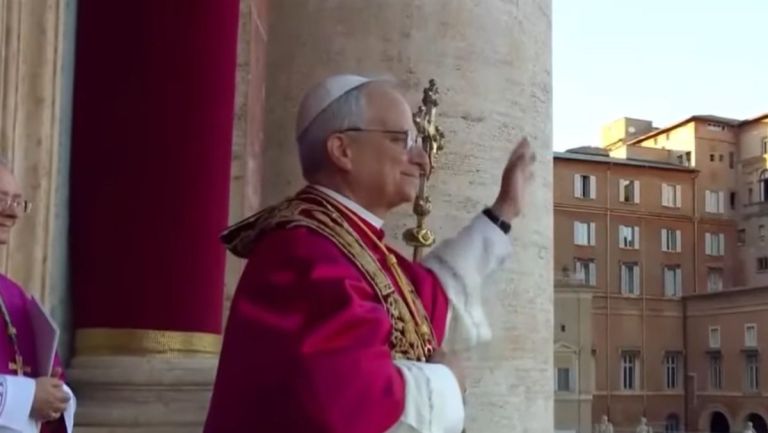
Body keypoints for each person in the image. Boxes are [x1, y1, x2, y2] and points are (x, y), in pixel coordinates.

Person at [203, 74, 535, 433]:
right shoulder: (303, 252)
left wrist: (502, 213)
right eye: (401, 140)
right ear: (342, 150)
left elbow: (432, 296)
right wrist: (447, 383)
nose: (423, 159)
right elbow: (351, 403)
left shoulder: (349, 242)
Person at [0, 162, 76, 433]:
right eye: (2, 199)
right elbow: (32, 395)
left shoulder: (15, 296)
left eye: (18, 202)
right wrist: (27, 397)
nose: (11, 212)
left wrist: (56, 396)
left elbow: (54, 378)